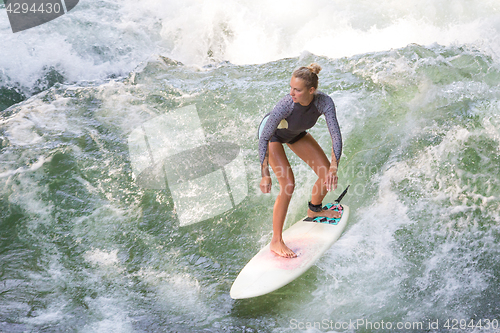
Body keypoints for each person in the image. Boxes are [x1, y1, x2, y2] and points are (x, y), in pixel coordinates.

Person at [258, 63, 342, 258]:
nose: (291, 93)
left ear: (311, 91)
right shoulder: (286, 104)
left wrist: (334, 168)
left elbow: (335, 136)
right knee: (288, 184)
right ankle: (276, 241)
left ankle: (314, 210)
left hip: (296, 134)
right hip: (273, 137)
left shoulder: (324, 103)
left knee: (325, 172)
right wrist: (265, 174)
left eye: (297, 89)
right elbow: (264, 136)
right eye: (291, 88)